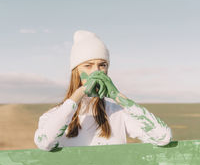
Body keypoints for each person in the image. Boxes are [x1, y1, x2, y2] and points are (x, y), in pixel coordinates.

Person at [34, 30, 173, 151]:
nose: (96, 71)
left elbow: (163, 137)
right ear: (76, 72)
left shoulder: (118, 113)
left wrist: (118, 97)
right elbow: (45, 143)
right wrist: (78, 95)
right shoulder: (55, 115)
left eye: (102, 65)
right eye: (88, 66)